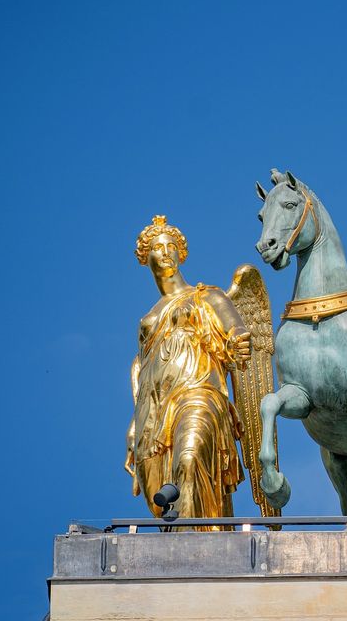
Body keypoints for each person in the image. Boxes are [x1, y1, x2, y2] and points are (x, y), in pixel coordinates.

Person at [125, 216, 250, 524]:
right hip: (153, 413)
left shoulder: (207, 295)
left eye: (171, 246)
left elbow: (235, 328)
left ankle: (197, 548)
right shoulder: (146, 319)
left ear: (181, 254)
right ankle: (181, 548)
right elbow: (142, 372)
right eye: (157, 247)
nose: (165, 252)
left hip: (199, 393)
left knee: (190, 458)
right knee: (163, 497)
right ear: (146, 257)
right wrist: (134, 425)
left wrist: (237, 341)